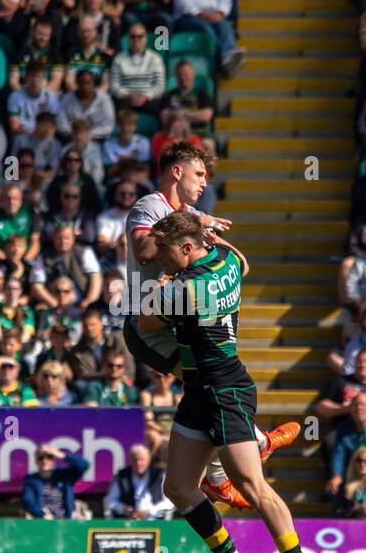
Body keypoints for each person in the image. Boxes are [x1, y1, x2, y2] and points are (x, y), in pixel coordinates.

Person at [138, 210, 320, 553]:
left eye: (163, 252)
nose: (156, 259)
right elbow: (242, 260)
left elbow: (146, 322)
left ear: (186, 249)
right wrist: (208, 234)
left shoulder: (182, 288)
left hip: (223, 390)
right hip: (202, 390)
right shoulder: (226, 261)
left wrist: (161, 286)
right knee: (179, 487)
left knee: (255, 488)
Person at [122, 140, 297, 508]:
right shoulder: (150, 206)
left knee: (211, 386)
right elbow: (142, 250)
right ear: (176, 172)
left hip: (177, 320)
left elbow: (236, 264)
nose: (204, 183)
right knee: (213, 383)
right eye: (198, 174)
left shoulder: (189, 214)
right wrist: (194, 224)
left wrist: (216, 247)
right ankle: (252, 446)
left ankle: (219, 477)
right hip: (147, 327)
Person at [21, 444, 90, 518]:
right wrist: (41, 515)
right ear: (36, 461)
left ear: (54, 459)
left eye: (49, 457)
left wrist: (60, 455)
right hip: (42, 521)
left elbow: (84, 465)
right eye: (41, 458)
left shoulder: (64, 474)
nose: (44, 461)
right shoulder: (30, 479)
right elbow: (28, 501)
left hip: (64, 521)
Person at [104, 444, 173, 519]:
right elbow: (109, 501)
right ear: (130, 460)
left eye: (141, 460)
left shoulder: (159, 475)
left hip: (156, 521)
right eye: (135, 460)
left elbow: (170, 502)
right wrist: (124, 509)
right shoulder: (121, 476)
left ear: (148, 460)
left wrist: (150, 511)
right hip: (129, 524)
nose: (138, 463)